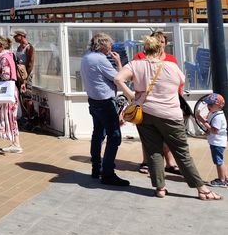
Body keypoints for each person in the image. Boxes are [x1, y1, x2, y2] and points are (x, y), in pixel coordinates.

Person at [114, 35, 221, 200]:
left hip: (145, 113)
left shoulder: (135, 64)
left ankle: (160, 188)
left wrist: (132, 97)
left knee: (153, 151)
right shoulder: (171, 66)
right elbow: (181, 81)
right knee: (181, 152)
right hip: (170, 114)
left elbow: (118, 79)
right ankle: (201, 188)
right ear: (160, 49)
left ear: (145, 49)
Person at [79, 33, 127, 185]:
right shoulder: (100, 59)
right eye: (109, 45)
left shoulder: (87, 57)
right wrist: (119, 62)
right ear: (103, 45)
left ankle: (96, 168)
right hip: (105, 102)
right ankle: (107, 173)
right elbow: (119, 78)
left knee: (98, 134)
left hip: (94, 100)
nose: (111, 48)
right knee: (114, 136)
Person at [133, 31, 180, 175]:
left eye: (162, 42)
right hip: (148, 104)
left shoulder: (171, 59)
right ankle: (146, 161)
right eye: (157, 41)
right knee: (148, 136)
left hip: (168, 103)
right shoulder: (140, 58)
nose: (160, 44)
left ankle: (170, 163)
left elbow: (178, 81)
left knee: (167, 136)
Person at [196, 93, 227, 188]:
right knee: (219, 160)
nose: (208, 106)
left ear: (219, 105)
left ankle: (221, 180)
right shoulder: (214, 113)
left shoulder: (218, 117)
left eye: (211, 104)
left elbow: (214, 130)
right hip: (216, 141)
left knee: (218, 161)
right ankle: (224, 178)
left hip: (217, 142)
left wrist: (202, 121)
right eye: (208, 104)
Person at [12, 29, 36, 129]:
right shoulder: (19, 47)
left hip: (26, 76)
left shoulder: (29, 48)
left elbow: (30, 64)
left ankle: (31, 119)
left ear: (21, 36)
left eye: (15, 36)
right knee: (21, 97)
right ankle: (24, 117)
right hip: (19, 76)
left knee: (27, 96)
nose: (14, 38)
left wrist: (25, 78)